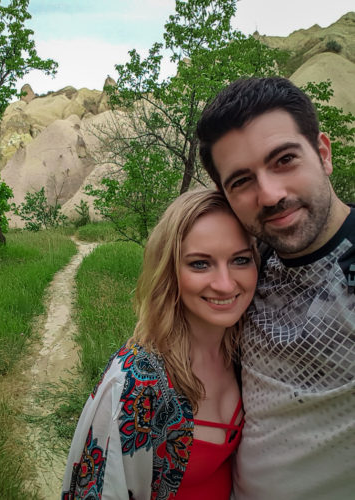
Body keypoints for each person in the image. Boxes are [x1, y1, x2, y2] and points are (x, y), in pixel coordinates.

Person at [196, 76, 355, 500]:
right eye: (241, 181)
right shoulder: (242, 267)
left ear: (323, 153)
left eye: (284, 160)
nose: (269, 195)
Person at [61, 188, 258, 499]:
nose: (225, 283)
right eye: (200, 264)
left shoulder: (248, 350)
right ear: (169, 271)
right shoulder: (136, 382)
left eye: (240, 260)